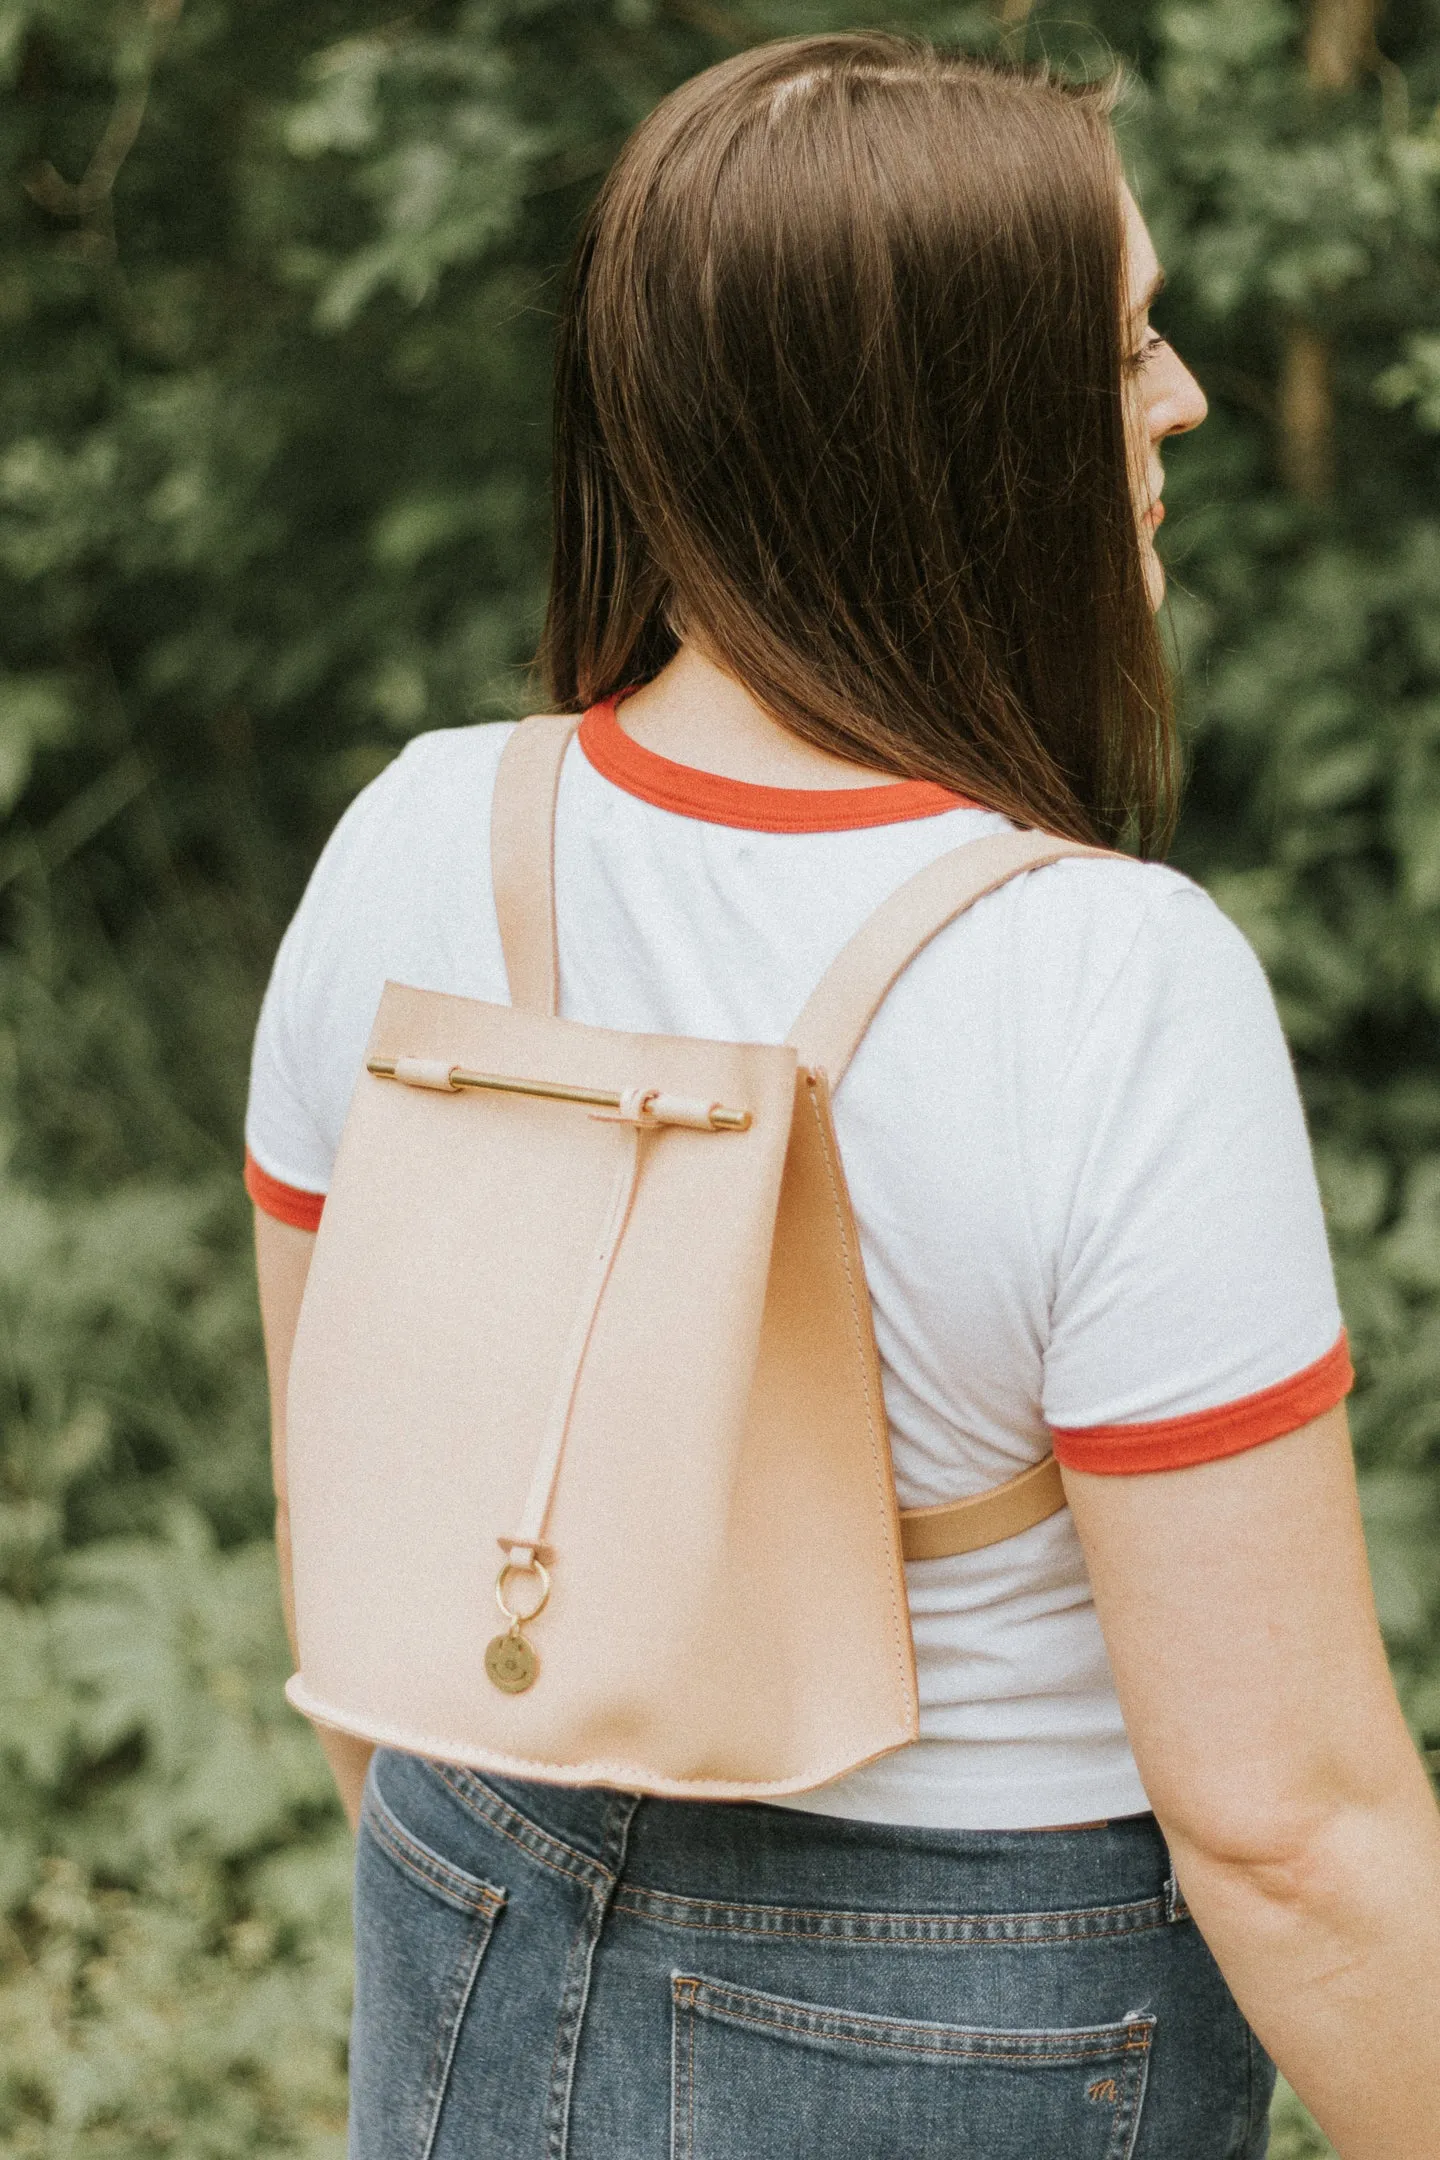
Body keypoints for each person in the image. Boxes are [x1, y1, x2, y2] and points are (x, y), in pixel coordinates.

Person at [246, 34, 1440, 2160]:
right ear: (954, 446)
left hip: (467, 1893)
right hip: (980, 2008)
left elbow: (370, 1567)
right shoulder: (1103, 982)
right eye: (1129, 350)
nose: (1177, 404)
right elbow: (1291, 1829)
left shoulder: (415, 846)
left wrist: (494, 1887)